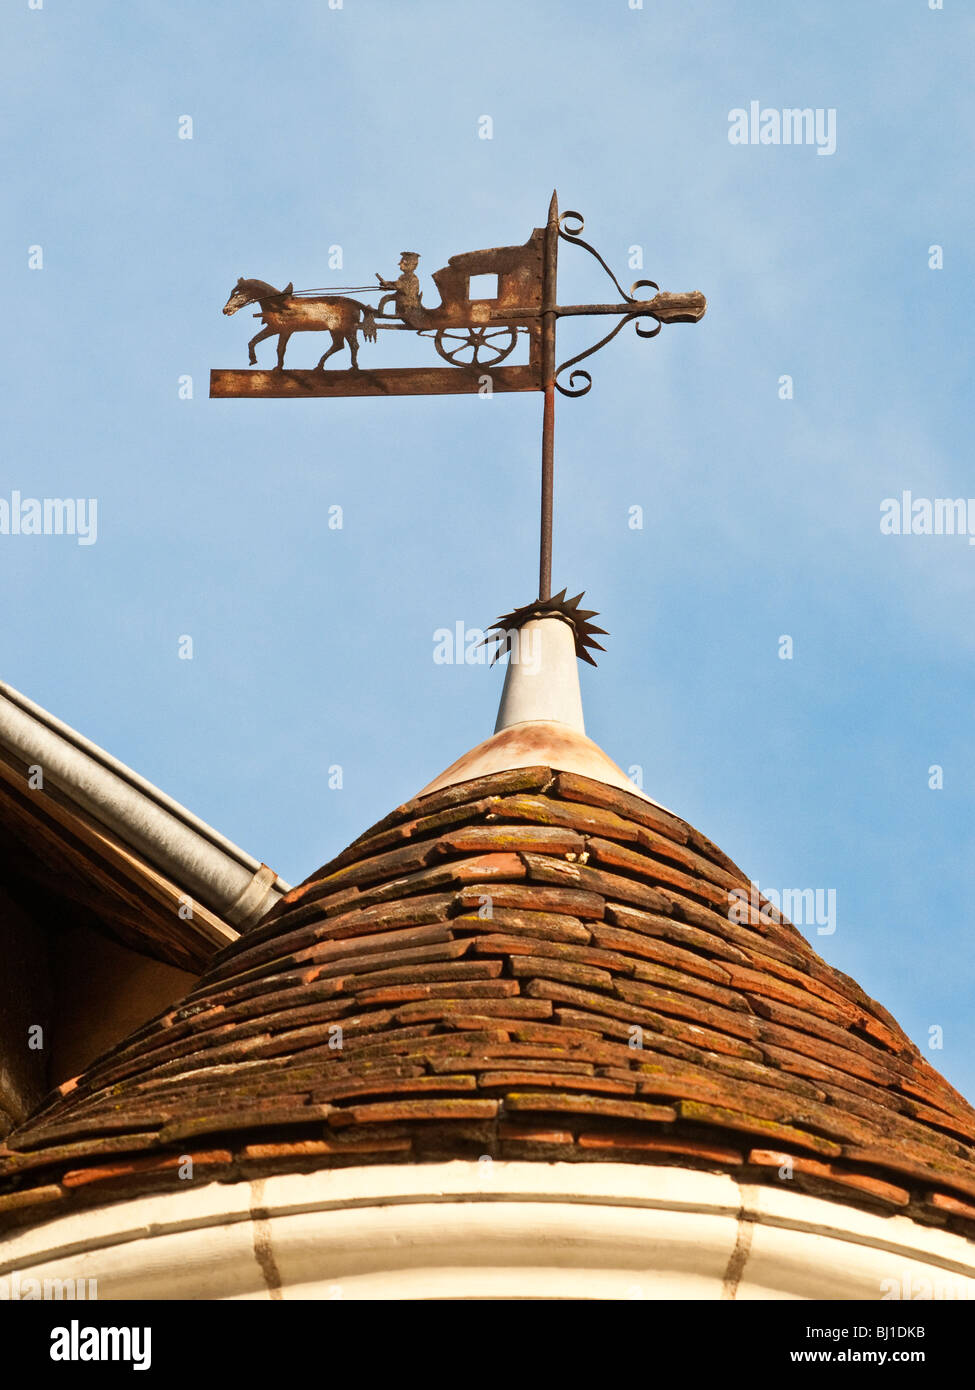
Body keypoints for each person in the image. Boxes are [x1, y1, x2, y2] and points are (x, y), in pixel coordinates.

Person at [376, 252, 423, 322]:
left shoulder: (413, 278)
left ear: (410, 265)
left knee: (388, 298)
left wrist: (388, 286)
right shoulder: (403, 276)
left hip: (408, 302)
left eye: (403, 263)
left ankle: (399, 313)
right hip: (400, 296)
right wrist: (387, 284)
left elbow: (400, 286)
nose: (400, 265)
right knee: (385, 298)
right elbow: (397, 284)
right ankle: (380, 313)